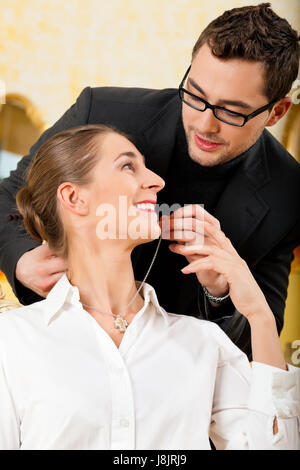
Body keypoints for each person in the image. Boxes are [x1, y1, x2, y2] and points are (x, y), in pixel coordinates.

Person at [0, 4, 299, 360]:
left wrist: (220, 293)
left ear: (276, 112)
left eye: (231, 111)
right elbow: (8, 195)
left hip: (180, 376)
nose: (205, 125)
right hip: (70, 348)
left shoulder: (289, 194)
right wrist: (20, 260)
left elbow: (256, 347)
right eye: (196, 95)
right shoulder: (103, 111)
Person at [0, 124, 299, 450]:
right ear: (75, 197)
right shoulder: (12, 341)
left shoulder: (203, 343)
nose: (157, 181)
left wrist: (259, 314)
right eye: (128, 165)